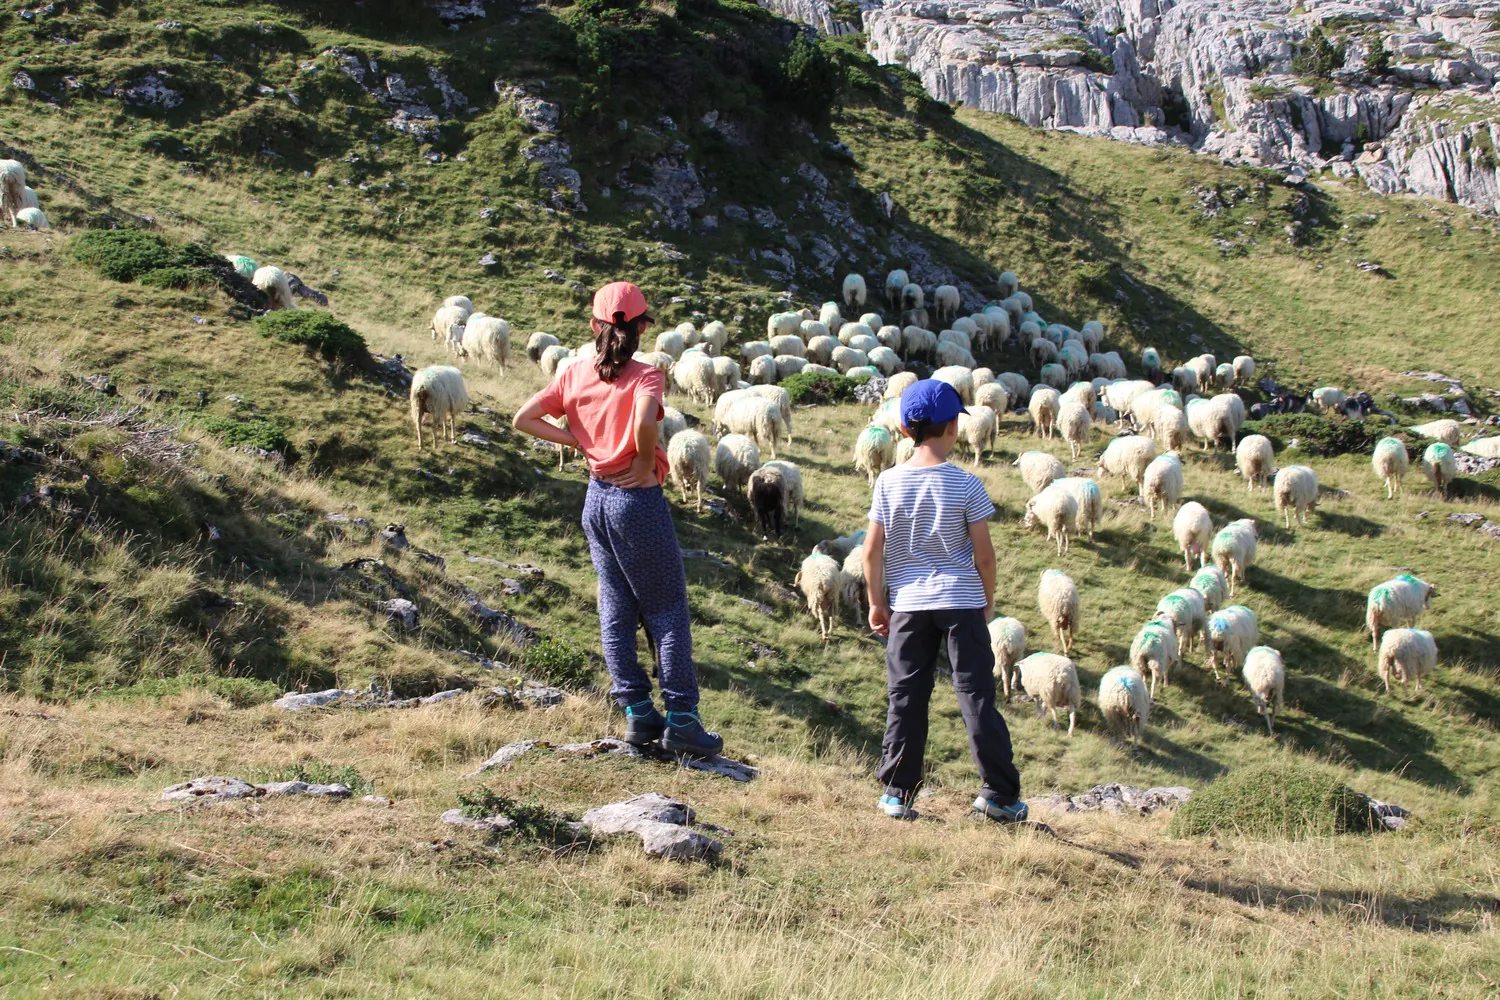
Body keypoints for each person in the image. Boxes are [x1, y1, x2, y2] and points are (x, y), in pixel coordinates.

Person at [512, 281, 722, 757]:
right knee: (666, 608)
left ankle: (636, 711)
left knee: (616, 605)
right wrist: (645, 461)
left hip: (596, 501)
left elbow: (524, 418)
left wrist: (583, 445)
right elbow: (646, 423)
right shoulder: (646, 376)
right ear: (642, 328)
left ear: (594, 326)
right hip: (637, 503)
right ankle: (683, 718)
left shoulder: (574, 374)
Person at [862, 379, 1027, 823]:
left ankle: (898, 792)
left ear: (903, 428)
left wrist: (877, 602)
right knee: (975, 695)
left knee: (906, 696)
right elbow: (985, 556)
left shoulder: (888, 483)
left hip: (909, 604)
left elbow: (872, 551)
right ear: (953, 427)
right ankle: (999, 794)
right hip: (962, 602)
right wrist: (986, 603)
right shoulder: (967, 485)